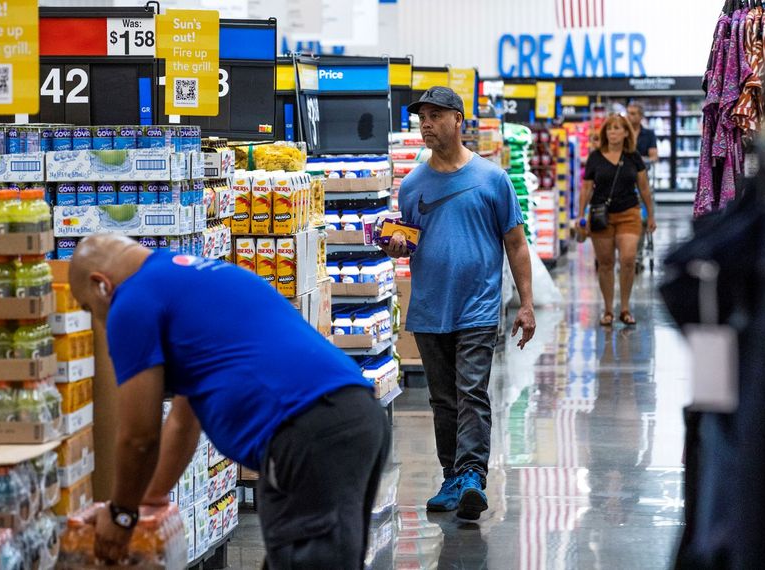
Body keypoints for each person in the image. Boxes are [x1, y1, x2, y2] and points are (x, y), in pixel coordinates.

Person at [69, 235, 390, 569]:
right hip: (355, 416)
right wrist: (149, 500)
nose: (100, 320)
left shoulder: (132, 300)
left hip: (308, 432)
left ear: (101, 285)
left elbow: (139, 435)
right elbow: (182, 422)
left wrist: (121, 514)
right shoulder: (191, 276)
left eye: (89, 309)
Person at [383, 86, 536, 521]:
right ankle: (451, 475)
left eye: (435, 115)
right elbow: (409, 241)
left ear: (458, 121)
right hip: (431, 308)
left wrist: (526, 304)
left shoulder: (492, 179)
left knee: (471, 392)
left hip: (478, 306)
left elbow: (516, 243)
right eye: (421, 118)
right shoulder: (412, 185)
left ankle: (472, 476)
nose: (426, 124)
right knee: (443, 400)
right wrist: (397, 246)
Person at [577, 114, 656, 327]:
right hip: (601, 215)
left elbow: (644, 187)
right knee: (605, 263)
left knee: (628, 259)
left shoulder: (633, 157)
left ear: (625, 133)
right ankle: (609, 310)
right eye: (609, 128)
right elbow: (586, 188)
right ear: (605, 133)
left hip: (629, 213)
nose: (613, 132)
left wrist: (650, 214)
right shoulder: (595, 157)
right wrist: (580, 215)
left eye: (617, 128)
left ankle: (625, 308)